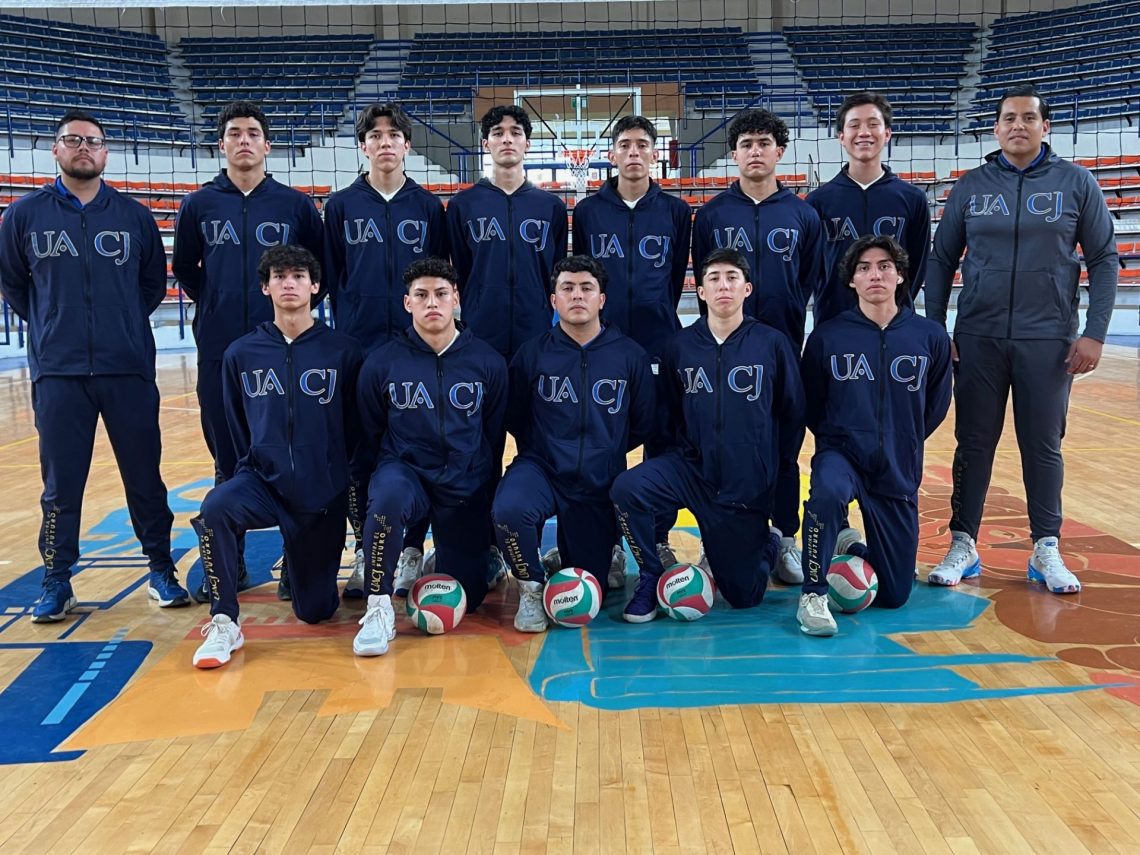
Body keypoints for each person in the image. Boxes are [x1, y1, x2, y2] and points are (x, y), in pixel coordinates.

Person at [924, 84, 1118, 594]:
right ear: (996, 128)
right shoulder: (971, 186)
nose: (1018, 125)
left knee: (1043, 445)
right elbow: (941, 259)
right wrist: (936, 327)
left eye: (1029, 117)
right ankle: (963, 544)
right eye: (1009, 117)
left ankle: (1045, 547)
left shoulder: (1077, 183)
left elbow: (1103, 259)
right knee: (973, 443)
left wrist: (1095, 333)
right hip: (979, 337)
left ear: (1044, 126)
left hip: (1048, 340)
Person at [0, 109, 189, 621]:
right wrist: (54, 323)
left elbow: (151, 286)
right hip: (58, 372)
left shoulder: (133, 216)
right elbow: (15, 285)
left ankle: (161, 569)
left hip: (126, 367)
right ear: (55, 149)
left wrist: (117, 324)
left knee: (144, 477)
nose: (83, 148)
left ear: (106, 153)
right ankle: (57, 579)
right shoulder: (23, 215)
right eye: (73, 140)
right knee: (61, 486)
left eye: (93, 141)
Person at [172, 100, 324, 603]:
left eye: (253, 133)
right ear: (221, 144)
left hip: (287, 350)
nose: (244, 140)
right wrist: (218, 304)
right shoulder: (198, 205)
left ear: (267, 145)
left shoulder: (295, 206)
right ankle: (229, 564)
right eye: (234, 133)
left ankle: (296, 563)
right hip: (220, 350)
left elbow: (318, 270)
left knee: (294, 451)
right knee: (227, 455)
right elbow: (187, 269)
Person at [610, 249, 805, 622]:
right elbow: (665, 417)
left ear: (747, 288)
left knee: (744, 596)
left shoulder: (772, 343)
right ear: (700, 291)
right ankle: (651, 573)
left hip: (743, 484)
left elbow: (792, 414)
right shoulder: (678, 346)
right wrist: (671, 467)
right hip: (690, 470)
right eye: (714, 279)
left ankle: (766, 545)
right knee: (627, 489)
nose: (723, 286)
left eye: (732, 278)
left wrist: (769, 473)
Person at [190, 245, 361, 668]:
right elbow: (235, 425)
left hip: (320, 494)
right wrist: (248, 470)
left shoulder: (343, 351)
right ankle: (224, 621)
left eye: (299, 276)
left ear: (315, 286)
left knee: (316, 611)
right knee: (215, 508)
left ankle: (302, 567)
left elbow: (356, 427)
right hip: (263, 483)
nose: (289, 283)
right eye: (279, 276)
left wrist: (339, 482)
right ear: (265, 287)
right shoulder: (241, 354)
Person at [691, 108, 825, 584]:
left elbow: (807, 279)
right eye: (746, 144)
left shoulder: (803, 214)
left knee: (785, 443)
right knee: (721, 446)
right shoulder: (712, 214)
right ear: (734, 154)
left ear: (779, 152)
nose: (755, 151)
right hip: (725, 350)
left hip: (783, 346)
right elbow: (706, 276)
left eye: (764, 143)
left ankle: (785, 536)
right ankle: (716, 539)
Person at [322, 102, 448, 601]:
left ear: (407, 145)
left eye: (394, 134)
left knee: (419, 448)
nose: (385, 142)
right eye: (375, 135)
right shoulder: (340, 207)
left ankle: (412, 549)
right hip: (360, 348)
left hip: (416, 351)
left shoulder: (429, 208)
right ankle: (364, 549)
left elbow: (439, 276)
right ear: (363, 146)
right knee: (362, 453)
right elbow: (332, 276)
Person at [797, 236, 952, 636]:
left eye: (884, 266)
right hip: (842, 453)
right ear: (852, 281)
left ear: (900, 275)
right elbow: (811, 401)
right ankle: (812, 594)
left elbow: (935, 404)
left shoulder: (930, 337)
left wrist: (905, 437)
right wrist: (836, 439)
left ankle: (850, 547)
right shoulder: (827, 336)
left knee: (894, 594)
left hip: (897, 464)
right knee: (827, 492)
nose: (875, 275)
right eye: (863, 268)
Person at [493, 255, 657, 632]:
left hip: (598, 479)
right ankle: (531, 586)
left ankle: (576, 554)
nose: (577, 295)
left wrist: (605, 449)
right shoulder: (532, 353)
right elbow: (514, 415)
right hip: (542, 468)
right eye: (567, 288)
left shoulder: (630, 356)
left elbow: (643, 422)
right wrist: (545, 448)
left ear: (602, 299)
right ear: (554, 300)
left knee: (590, 586)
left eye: (586, 288)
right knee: (509, 509)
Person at [353, 258, 507, 657]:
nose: (432, 303)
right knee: (387, 499)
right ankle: (378, 606)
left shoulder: (488, 362)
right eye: (421, 295)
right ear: (407, 303)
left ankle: (455, 554)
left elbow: (492, 438)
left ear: (456, 298)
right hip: (405, 473)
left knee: (469, 595)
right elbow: (370, 433)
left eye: (441, 293)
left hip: (462, 482)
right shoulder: (382, 362)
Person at [571, 115, 693, 582]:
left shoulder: (676, 211)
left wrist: (657, 313)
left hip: (658, 339)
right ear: (613, 154)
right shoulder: (588, 211)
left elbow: (676, 275)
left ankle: (656, 537)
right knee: (606, 438)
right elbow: (584, 274)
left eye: (643, 144)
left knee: (661, 437)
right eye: (625, 144)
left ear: (655, 153)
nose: (634, 152)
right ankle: (609, 543)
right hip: (604, 342)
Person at [445, 105, 568, 359]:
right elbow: (462, 267)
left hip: (536, 326)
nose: (507, 139)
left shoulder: (551, 207)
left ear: (527, 144)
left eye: (516, 132)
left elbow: (556, 269)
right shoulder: (462, 205)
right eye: (498, 132)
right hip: (480, 328)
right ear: (486, 143)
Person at [806, 91, 931, 325]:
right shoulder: (817, 202)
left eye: (873, 124)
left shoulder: (913, 198)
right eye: (854, 125)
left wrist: (893, 304)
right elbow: (812, 271)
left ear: (887, 134)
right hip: (834, 323)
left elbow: (916, 266)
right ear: (841, 137)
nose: (864, 132)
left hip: (894, 324)